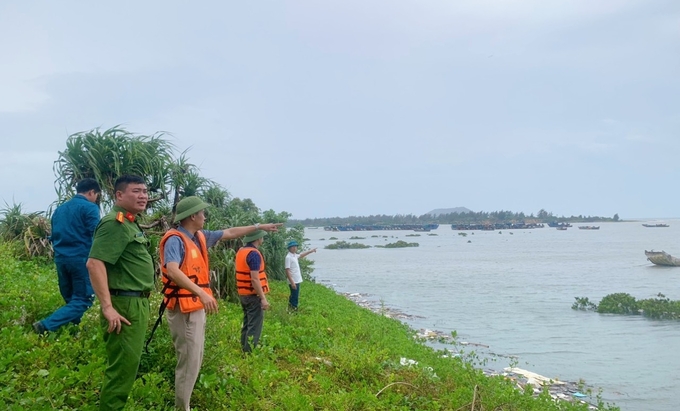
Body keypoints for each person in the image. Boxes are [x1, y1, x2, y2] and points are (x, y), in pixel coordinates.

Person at [158, 196, 280, 411]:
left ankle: (184, 404)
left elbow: (230, 232)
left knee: (195, 360)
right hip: (184, 309)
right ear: (193, 216)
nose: (205, 217)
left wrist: (259, 226)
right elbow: (173, 269)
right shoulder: (175, 239)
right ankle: (181, 408)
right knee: (188, 362)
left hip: (195, 308)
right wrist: (201, 293)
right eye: (202, 213)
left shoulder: (200, 236)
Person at [86, 175, 154, 411]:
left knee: (128, 366)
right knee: (122, 370)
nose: (143, 195)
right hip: (124, 305)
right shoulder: (115, 223)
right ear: (119, 195)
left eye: (145, 191)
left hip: (135, 303)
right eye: (136, 191)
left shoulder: (130, 222)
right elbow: (94, 263)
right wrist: (107, 307)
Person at [33, 178, 101, 334]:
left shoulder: (59, 210)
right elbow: (97, 234)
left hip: (61, 259)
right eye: (96, 195)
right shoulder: (90, 208)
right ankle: (45, 326)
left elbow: (54, 234)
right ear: (91, 192)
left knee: (71, 298)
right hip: (80, 259)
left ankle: (74, 332)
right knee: (83, 299)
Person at [235, 230, 271, 352]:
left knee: (247, 323)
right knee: (254, 326)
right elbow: (255, 279)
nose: (262, 239)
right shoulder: (254, 254)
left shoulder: (241, 251)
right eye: (262, 237)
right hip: (253, 295)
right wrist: (263, 298)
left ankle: (244, 349)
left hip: (243, 294)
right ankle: (249, 353)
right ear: (258, 239)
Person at [284, 241, 316, 311]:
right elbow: (287, 270)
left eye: (296, 247)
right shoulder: (288, 257)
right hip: (293, 280)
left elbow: (301, 255)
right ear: (289, 248)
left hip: (297, 279)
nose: (295, 248)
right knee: (294, 296)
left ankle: (290, 309)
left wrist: (311, 251)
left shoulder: (294, 255)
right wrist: (292, 282)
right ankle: (293, 309)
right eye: (293, 247)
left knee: (294, 295)